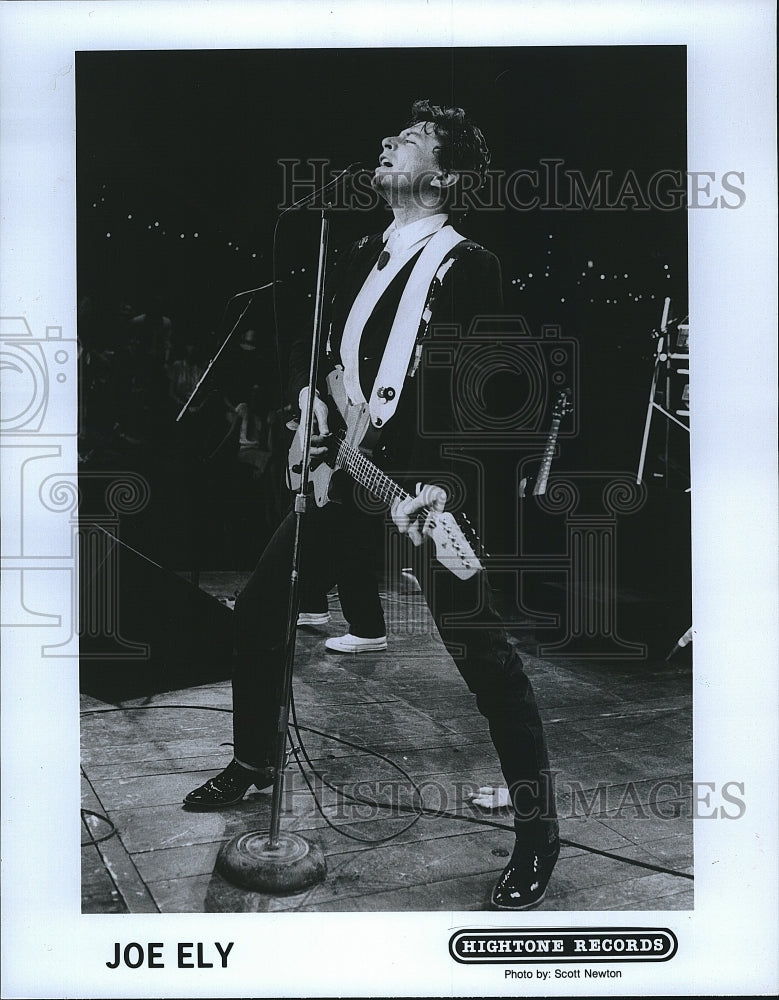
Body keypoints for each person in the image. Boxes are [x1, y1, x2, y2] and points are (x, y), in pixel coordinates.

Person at [184, 100, 559, 910]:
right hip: (343, 469)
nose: (387, 142)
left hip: (416, 493)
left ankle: (538, 832)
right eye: (392, 136)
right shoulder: (357, 251)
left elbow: (485, 398)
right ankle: (255, 764)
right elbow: (322, 355)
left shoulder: (468, 264)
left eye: (411, 140)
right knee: (256, 614)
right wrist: (313, 418)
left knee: (483, 660)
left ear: (444, 177)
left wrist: (441, 489)